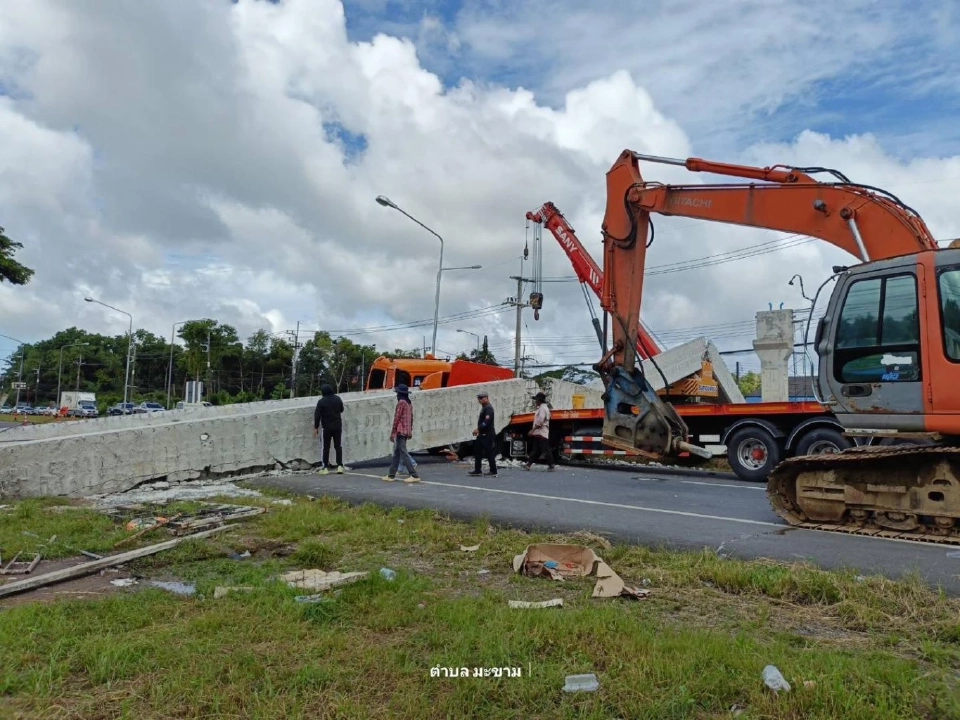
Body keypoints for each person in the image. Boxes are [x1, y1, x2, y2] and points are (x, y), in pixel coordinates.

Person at [385, 384, 421, 483]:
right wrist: (410, 431)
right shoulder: (409, 403)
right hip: (406, 431)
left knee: (403, 453)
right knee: (397, 453)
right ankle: (391, 475)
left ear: (399, 394)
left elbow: (397, 418)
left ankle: (414, 474)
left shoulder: (401, 403)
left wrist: (393, 433)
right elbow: (411, 418)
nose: (396, 395)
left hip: (400, 431)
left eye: (397, 393)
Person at [314, 384, 345, 475]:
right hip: (337, 426)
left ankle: (325, 467)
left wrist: (316, 427)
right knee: (338, 446)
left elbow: (317, 416)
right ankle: (340, 466)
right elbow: (341, 409)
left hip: (326, 427)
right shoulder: (337, 399)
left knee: (326, 447)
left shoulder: (321, 402)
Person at [469, 391, 498, 477]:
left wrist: (478, 429)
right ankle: (477, 470)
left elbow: (487, 422)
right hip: (482, 434)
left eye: (482, 398)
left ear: (487, 398)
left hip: (488, 434)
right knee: (477, 451)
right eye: (479, 398)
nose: (480, 400)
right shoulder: (484, 407)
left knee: (489, 453)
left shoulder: (488, 408)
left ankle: (493, 471)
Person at [524, 391, 555, 471]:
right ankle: (528, 464)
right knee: (536, 449)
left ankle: (551, 465)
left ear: (539, 401)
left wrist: (532, 430)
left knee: (545, 449)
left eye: (536, 400)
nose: (535, 402)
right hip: (539, 432)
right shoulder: (543, 408)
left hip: (541, 432)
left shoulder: (542, 409)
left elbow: (540, 422)